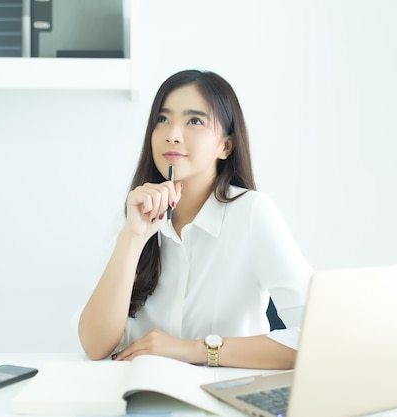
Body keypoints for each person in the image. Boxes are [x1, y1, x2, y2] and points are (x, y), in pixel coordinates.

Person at [78, 69, 312, 370]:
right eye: (162, 119)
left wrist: (192, 350)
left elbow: (315, 339)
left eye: (194, 121)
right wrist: (133, 237)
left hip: (222, 397)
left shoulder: (252, 212)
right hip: (137, 394)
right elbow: (95, 346)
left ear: (225, 145)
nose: (172, 134)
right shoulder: (134, 215)